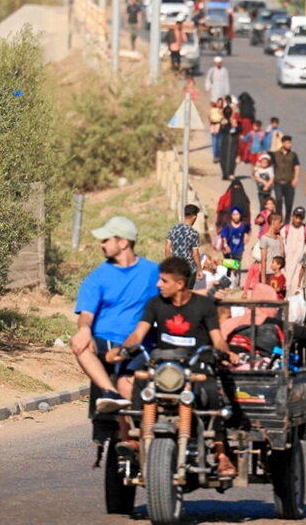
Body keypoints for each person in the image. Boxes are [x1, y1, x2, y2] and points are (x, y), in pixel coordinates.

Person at [106, 257, 238, 476]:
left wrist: (226, 352)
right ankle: (135, 440)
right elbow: (138, 334)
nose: (159, 285)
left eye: (164, 281)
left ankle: (220, 452)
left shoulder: (203, 305)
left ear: (180, 284)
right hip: (164, 366)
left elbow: (217, 338)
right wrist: (122, 350)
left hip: (196, 365)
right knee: (140, 381)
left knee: (213, 392)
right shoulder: (156, 304)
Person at [71, 216, 160, 413]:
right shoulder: (97, 277)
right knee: (79, 343)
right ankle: (109, 392)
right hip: (105, 342)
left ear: (123, 242)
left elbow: (175, 296)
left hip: (139, 343)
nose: (101, 245)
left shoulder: (153, 271)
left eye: (106, 240)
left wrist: (211, 291)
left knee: (129, 384)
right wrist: (84, 330)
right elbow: (86, 314)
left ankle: (132, 438)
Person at [280, 207, 306, 297]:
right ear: (292, 216)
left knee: (297, 292)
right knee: (284, 289)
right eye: (296, 217)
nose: (298, 220)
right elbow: (280, 249)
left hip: (300, 267)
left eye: (300, 218)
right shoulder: (285, 230)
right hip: (286, 267)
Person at [164, 204, 202, 278]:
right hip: (189, 269)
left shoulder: (174, 229)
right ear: (194, 216)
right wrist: (200, 269)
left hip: (176, 268)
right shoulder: (193, 233)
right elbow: (195, 253)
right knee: (188, 289)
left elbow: (167, 248)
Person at [273, 135, 301, 222]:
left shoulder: (293, 155)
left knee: (289, 203)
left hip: (289, 182)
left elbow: (297, 167)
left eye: (290, 143)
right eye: (288, 143)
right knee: (279, 200)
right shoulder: (275, 154)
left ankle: (287, 221)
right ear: (283, 143)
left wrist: (296, 178)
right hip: (278, 182)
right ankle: (279, 220)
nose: (289, 144)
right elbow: (270, 166)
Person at [258, 212, 286, 284]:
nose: (281, 224)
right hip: (269, 275)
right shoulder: (264, 238)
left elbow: (282, 256)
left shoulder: (279, 238)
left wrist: (281, 242)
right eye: (279, 222)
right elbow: (263, 260)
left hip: (279, 274)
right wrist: (263, 280)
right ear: (273, 222)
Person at [209, 98, 225, 163]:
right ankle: (215, 156)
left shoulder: (222, 110)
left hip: (220, 127)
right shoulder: (213, 110)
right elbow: (209, 116)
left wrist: (221, 113)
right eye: (218, 103)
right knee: (214, 142)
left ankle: (219, 155)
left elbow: (224, 118)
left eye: (221, 103)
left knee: (219, 143)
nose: (219, 104)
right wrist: (211, 120)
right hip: (213, 127)